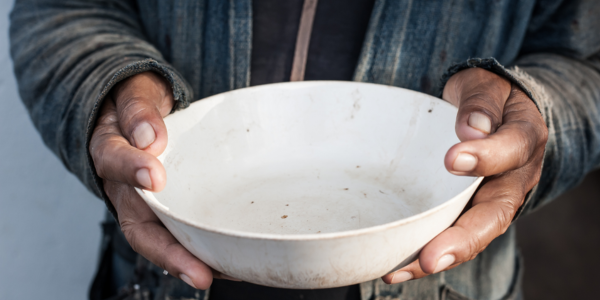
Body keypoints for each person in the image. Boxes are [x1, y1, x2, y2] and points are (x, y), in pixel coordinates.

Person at [9, 0, 600, 299]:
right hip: (162, 270)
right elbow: (66, 10)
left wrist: (531, 118)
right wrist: (108, 91)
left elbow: (585, 59)